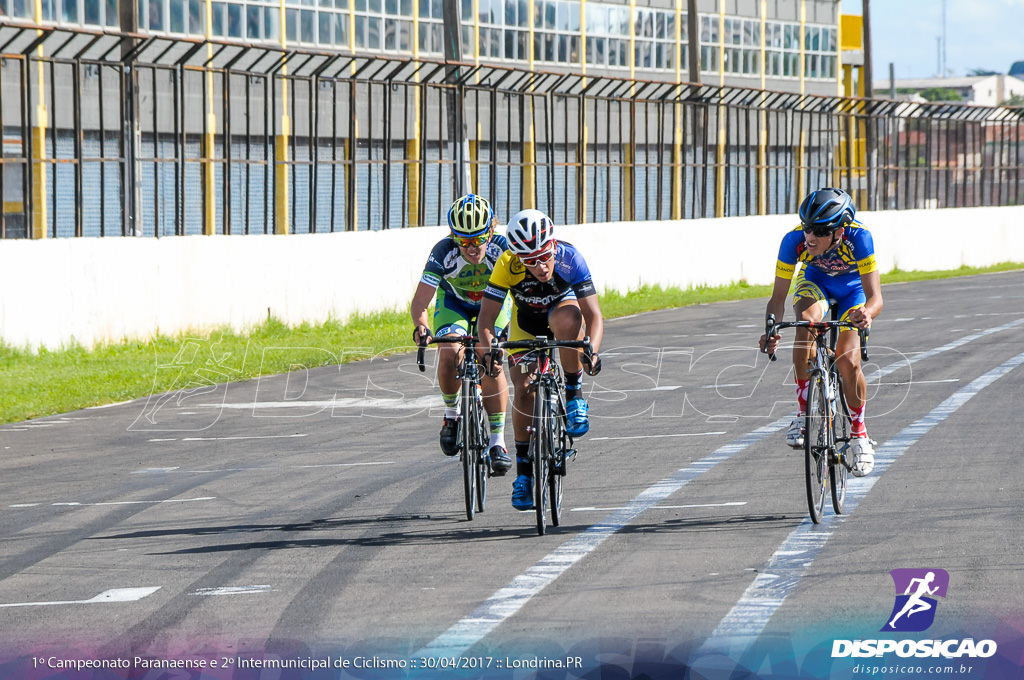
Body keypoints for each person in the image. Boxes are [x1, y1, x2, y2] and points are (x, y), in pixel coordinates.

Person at [477, 209, 604, 510]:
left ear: (553, 245)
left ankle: (574, 394)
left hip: (561, 311)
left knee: (569, 320)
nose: (540, 266)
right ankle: (524, 475)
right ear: (518, 257)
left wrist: (593, 351)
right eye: (530, 261)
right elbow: (486, 319)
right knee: (523, 388)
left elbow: (593, 316)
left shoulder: (570, 258)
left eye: (544, 256)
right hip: (526, 323)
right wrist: (489, 349)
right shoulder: (507, 264)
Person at [759, 187, 883, 477]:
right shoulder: (793, 242)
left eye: (819, 231)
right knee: (805, 322)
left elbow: (875, 298)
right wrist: (771, 329)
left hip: (853, 290)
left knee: (847, 361)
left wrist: (867, 312)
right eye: (806, 229)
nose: (809, 238)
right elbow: (777, 299)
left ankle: (859, 433)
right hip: (815, 282)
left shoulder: (859, 238)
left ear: (839, 230)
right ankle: (804, 414)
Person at [410, 194, 513, 474]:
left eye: (478, 239)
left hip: (493, 305)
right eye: (463, 240)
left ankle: (497, 442)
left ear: (491, 231)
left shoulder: (504, 248)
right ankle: (451, 415)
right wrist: (422, 326)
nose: (471, 248)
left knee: (487, 356)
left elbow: (519, 290)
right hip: (454, 302)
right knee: (449, 350)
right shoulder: (443, 251)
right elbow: (420, 302)